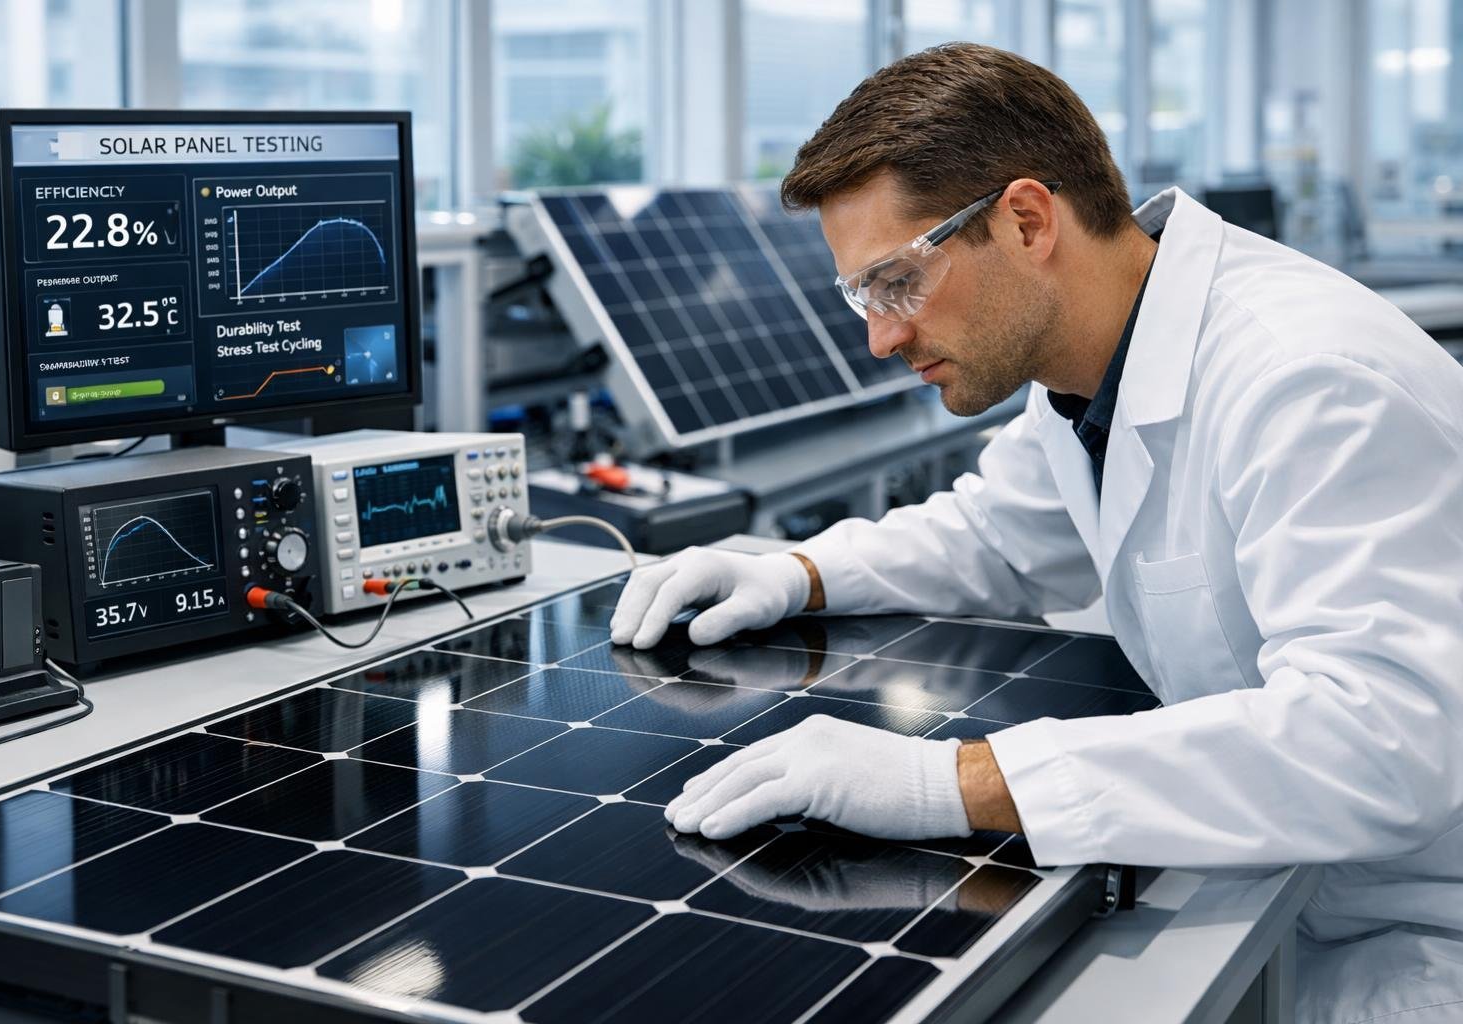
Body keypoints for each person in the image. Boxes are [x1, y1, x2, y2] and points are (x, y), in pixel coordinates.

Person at [608, 43, 1463, 1024]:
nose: (880, 339)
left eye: (895, 283)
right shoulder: (1092, 360)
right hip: (1291, 881)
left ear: (1024, 219)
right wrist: (795, 571)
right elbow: (996, 536)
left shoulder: (1310, 382)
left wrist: (955, 781)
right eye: (862, 298)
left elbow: (1384, 742)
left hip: (1416, 937)